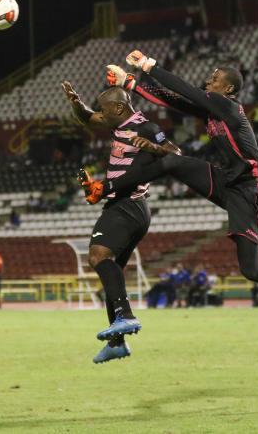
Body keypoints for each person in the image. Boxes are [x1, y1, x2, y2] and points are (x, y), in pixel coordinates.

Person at [82, 53, 258, 316]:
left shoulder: (228, 106)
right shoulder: (212, 108)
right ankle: (106, 188)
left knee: (252, 271)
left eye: (214, 80)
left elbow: (187, 91)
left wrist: (149, 66)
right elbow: (172, 100)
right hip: (224, 179)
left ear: (229, 89)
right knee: (171, 160)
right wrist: (130, 84)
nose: (208, 82)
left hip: (245, 189)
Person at [61, 82, 179, 363]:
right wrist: (77, 104)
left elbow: (176, 154)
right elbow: (87, 117)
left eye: (105, 110)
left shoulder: (146, 128)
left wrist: (152, 147)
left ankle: (125, 317)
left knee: (98, 256)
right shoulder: (117, 122)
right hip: (130, 208)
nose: (101, 115)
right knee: (110, 271)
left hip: (128, 205)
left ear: (119, 107)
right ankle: (116, 342)